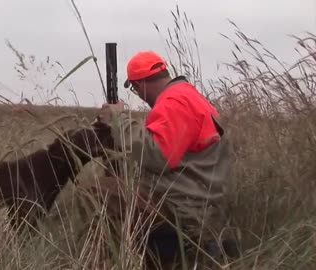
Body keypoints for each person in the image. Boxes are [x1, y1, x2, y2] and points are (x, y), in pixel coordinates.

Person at [94, 51, 239, 267]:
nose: (139, 95)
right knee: (118, 189)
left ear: (141, 85)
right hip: (201, 203)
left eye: (135, 89)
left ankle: (100, 261)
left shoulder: (174, 102)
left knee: (97, 192)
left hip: (183, 210)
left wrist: (118, 119)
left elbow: (158, 156)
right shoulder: (189, 96)